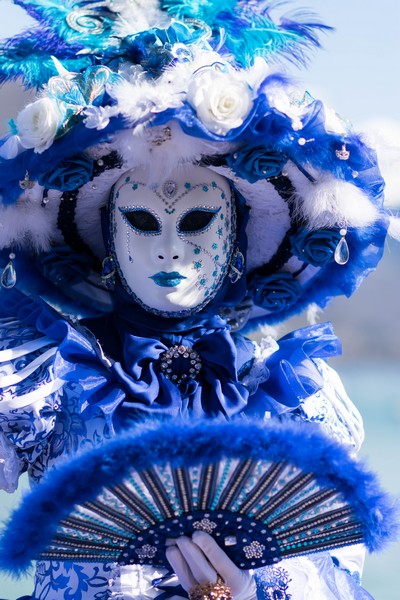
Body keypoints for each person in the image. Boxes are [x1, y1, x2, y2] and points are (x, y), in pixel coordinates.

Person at [0, 1, 397, 598]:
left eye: (196, 224)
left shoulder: (295, 393)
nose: (168, 250)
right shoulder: (45, 380)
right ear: (105, 246)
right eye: (139, 221)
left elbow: (335, 573)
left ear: (238, 250)